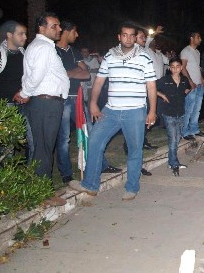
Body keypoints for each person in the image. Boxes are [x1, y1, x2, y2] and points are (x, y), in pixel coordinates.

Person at [70, 22, 157, 201]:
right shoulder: (110, 55)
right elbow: (99, 81)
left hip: (135, 111)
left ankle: (132, 187)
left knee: (134, 150)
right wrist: (93, 103)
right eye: (124, 35)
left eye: (132, 35)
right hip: (111, 110)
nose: (128, 38)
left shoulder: (144, 57)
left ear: (135, 38)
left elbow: (151, 86)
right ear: (119, 37)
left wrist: (152, 111)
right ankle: (90, 185)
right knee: (94, 141)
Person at [18, 12, 70, 178]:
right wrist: (25, 93)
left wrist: (26, 92)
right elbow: (36, 75)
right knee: (43, 148)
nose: (59, 29)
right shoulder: (44, 47)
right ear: (41, 28)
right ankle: (43, 187)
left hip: (45, 103)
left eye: (59, 25)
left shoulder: (41, 46)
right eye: (54, 26)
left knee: (44, 147)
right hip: (46, 104)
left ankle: (42, 185)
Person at [55, 20, 91, 183]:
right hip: (62, 98)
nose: (77, 35)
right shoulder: (52, 50)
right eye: (74, 32)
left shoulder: (74, 51)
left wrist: (68, 72)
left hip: (77, 97)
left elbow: (86, 73)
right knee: (64, 138)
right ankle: (66, 173)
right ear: (66, 31)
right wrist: (75, 71)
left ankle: (95, 164)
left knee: (88, 131)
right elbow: (57, 74)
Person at [0, 20, 32, 158]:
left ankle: (30, 168)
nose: (25, 37)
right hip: (4, 105)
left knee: (31, 138)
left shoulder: (25, 54)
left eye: (25, 34)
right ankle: (5, 169)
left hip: (24, 102)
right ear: (9, 35)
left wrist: (26, 92)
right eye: (21, 34)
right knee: (7, 144)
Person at [156, 58, 190, 175]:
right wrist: (162, 95)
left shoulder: (184, 80)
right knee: (173, 139)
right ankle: (174, 164)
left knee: (178, 137)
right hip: (169, 113)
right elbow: (151, 87)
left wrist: (185, 92)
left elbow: (187, 89)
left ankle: (172, 161)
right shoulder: (165, 80)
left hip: (180, 113)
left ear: (181, 68)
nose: (175, 69)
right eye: (173, 67)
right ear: (170, 68)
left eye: (178, 66)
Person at [180, 31, 204, 139]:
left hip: (199, 85)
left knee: (197, 109)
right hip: (191, 86)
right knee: (188, 110)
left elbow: (197, 67)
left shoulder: (197, 52)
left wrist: (202, 79)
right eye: (198, 37)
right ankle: (184, 131)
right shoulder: (185, 51)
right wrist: (190, 82)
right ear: (192, 38)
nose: (200, 39)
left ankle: (194, 129)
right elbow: (183, 68)